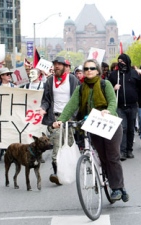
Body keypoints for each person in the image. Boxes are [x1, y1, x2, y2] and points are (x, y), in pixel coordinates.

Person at [53, 59, 129, 202]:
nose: (89, 71)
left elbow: (113, 101)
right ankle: (109, 181)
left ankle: (118, 188)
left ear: (98, 71)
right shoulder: (80, 88)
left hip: (109, 123)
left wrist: (109, 111)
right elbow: (71, 105)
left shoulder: (105, 84)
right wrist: (61, 120)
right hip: (92, 125)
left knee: (112, 156)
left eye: (92, 68)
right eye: (86, 68)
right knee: (103, 157)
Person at [39, 56, 79, 185]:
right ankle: (56, 173)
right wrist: (43, 108)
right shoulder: (50, 81)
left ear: (65, 67)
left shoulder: (72, 80)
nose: (56, 66)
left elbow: (77, 99)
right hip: (54, 118)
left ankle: (68, 168)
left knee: (68, 143)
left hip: (68, 117)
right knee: (56, 144)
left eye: (59, 64)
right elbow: (46, 99)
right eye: (55, 64)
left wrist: (74, 116)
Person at [108, 53, 140, 161]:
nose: (121, 63)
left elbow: (140, 87)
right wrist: (113, 88)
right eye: (119, 61)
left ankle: (129, 150)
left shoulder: (134, 73)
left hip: (132, 106)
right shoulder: (113, 75)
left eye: (123, 61)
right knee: (123, 128)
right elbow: (107, 90)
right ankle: (122, 151)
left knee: (131, 129)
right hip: (120, 106)